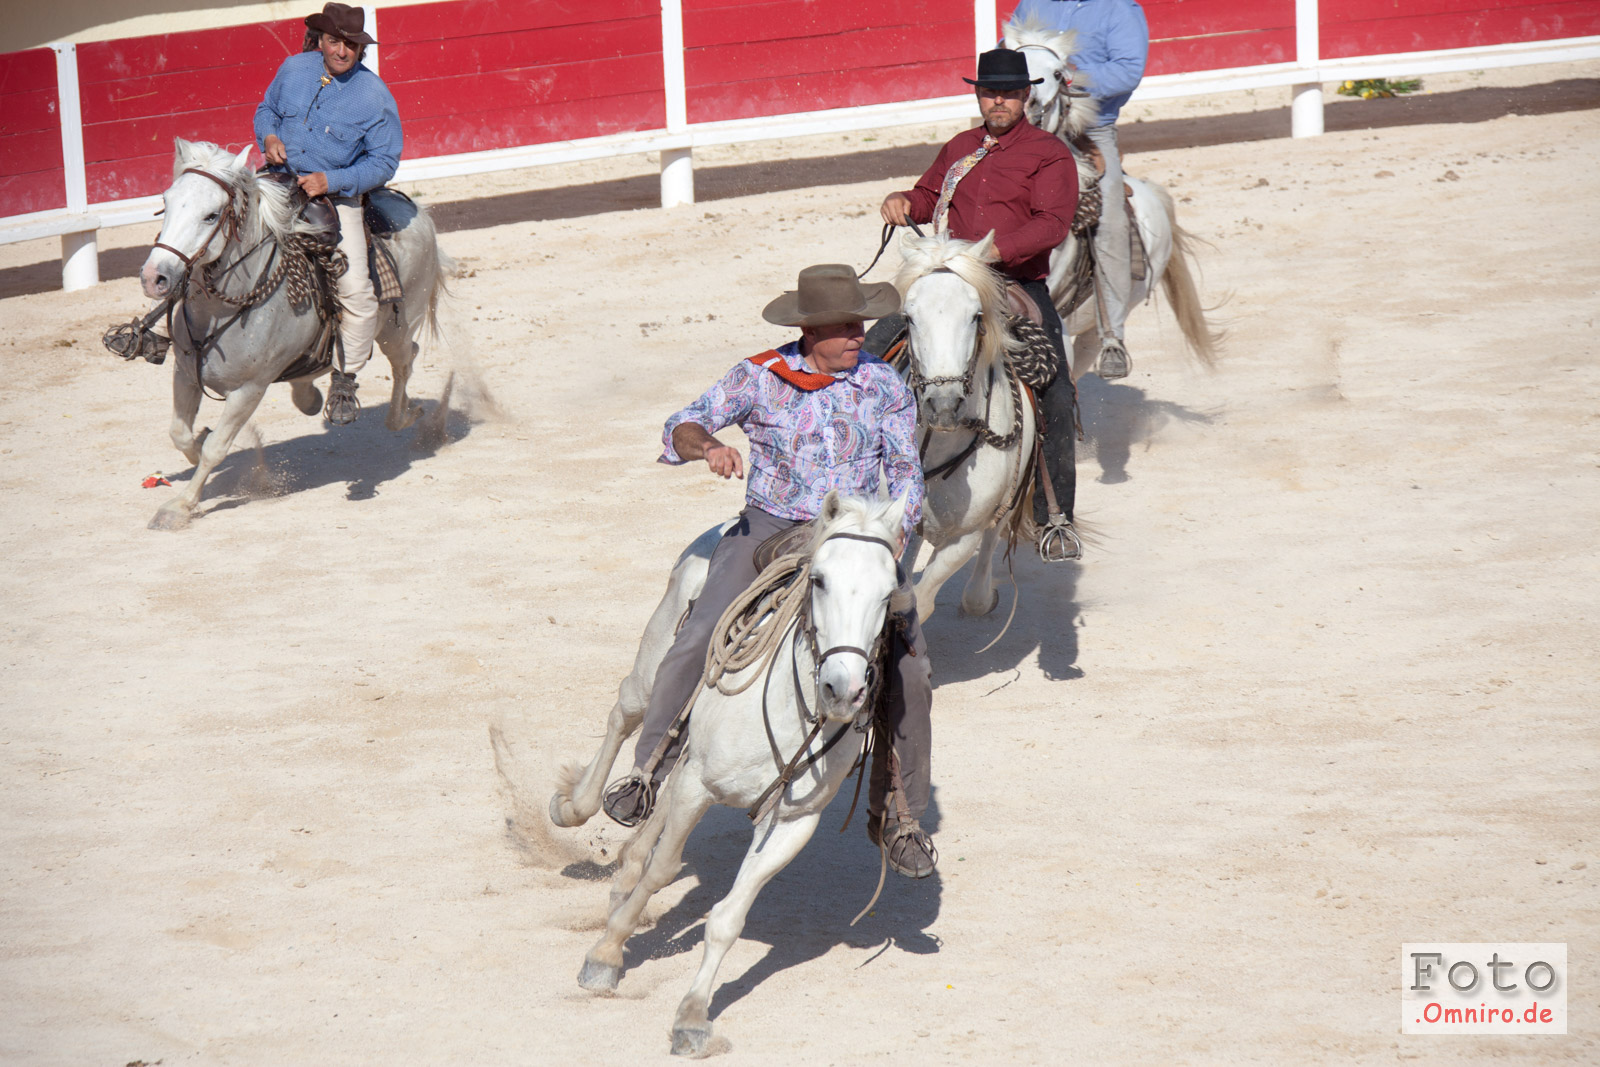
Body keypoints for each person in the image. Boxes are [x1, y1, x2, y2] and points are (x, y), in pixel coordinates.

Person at [602, 264, 938, 879]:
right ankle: (647, 769)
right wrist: (710, 447)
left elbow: (905, 471)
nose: (858, 335)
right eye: (844, 327)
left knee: (911, 669)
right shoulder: (759, 376)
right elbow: (682, 424)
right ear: (809, 331)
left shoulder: (884, 383)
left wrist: (895, 533)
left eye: (859, 324)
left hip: (857, 538)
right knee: (700, 631)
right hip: (771, 529)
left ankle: (901, 814)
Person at [880, 47, 1082, 560]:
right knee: (873, 350)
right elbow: (929, 196)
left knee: (1056, 391)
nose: (999, 102)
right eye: (990, 92)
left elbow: (1052, 224)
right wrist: (904, 201)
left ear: (1026, 95)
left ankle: (1054, 516)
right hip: (948, 276)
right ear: (978, 95)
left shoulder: (1049, 154)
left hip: (1014, 281)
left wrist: (994, 251)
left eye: (1009, 93)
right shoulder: (961, 146)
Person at [254, 2, 402, 424]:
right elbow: (266, 110)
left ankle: (344, 380)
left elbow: (384, 162)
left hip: (335, 201)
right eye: (335, 41)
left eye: (351, 45)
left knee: (357, 292)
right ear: (319, 39)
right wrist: (268, 136)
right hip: (276, 183)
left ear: (360, 49)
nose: (341, 51)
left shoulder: (374, 96)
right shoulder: (293, 69)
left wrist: (331, 181)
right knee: (217, 235)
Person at [1008, 0, 1150, 380]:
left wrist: (1065, 76)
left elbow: (1127, 70)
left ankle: (1112, 335)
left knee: (1110, 217)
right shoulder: (1032, 3)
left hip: (1089, 127)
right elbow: (1006, 55)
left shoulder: (1118, 9)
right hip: (1024, 124)